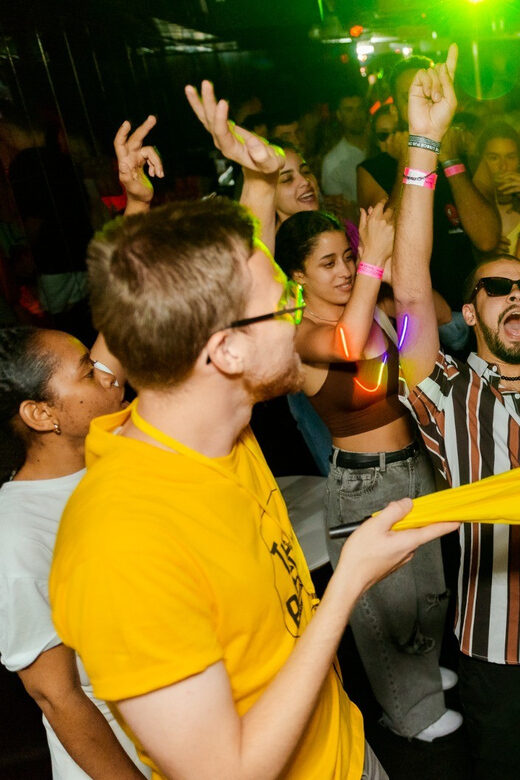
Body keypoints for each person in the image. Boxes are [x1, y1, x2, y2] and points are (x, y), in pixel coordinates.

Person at [49, 88, 459, 778]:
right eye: (288, 305)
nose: (303, 317)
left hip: (346, 752)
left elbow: (220, 290)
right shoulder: (122, 545)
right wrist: (349, 580)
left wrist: (260, 179)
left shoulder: (215, 432)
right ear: (229, 352)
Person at [274, 206, 460, 741]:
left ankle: (418, 677)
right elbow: (348, 348)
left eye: (349, 257)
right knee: (384, 602)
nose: (345, 269)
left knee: (428, 590)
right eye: (327, 262)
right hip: (362, 482)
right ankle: (407, 711)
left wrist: (403, 280)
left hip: (414, 465)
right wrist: (374, 265)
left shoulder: (374, 308)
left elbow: (435, 314)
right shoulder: (305, 336)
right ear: (298, 276)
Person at [392, 43, 520, 779]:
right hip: (499, 649)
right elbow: (409, 299)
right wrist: (425, 147)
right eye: (496, 288)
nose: (514, 296)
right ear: (470, 313)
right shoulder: (449, 392)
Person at [0, 326, 150, 778]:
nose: (110, 378)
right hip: (124, 753)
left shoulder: (115, 456)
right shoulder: (18, 535)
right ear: (42, 414)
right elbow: (57, 696)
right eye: (88, 373)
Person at [357, 54, 500, 313]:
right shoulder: (374, 169)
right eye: (409, 94)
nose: (421, 98)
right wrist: (408, 156)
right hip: (414, 309)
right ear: (396, 107)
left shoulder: (468, 159)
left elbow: (488, 239)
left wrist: (450, 159)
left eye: (426, 90)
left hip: (475, 307)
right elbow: (384, 244)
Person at [473, 121, 520, 257]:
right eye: (493, 158)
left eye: (511, 157)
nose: (503, 166)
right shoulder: (470, 199)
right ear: (481, 159)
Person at [321, 90, 369, 203]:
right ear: (339, 115)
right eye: (349, 110)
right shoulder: (332, 162)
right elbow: (338, 209)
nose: (356, 115)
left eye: (360, 108)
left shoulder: (382, 146)